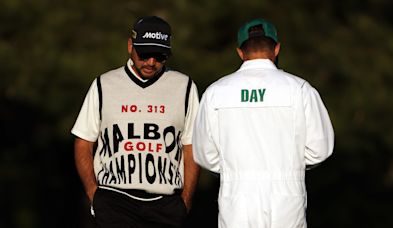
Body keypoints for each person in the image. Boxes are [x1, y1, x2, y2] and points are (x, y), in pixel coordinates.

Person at [192, 18, 334, 228]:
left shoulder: (216, 92)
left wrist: (234, 169)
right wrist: (290, 164)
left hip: (237, 197)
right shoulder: (300, 89)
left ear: (240, 52)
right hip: (287, 198)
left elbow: (204, 153)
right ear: (276, 48)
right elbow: (320, 149)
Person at [71, 16, 200, 228]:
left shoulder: (184, 86)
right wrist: (93, 194)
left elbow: (191, 146)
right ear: (130, 46)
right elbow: (84, 140)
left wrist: (185, 201)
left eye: (159, 56)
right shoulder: (104, 84)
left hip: (166, 203)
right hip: (114, 200)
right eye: (145, 53)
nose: (151, 62)